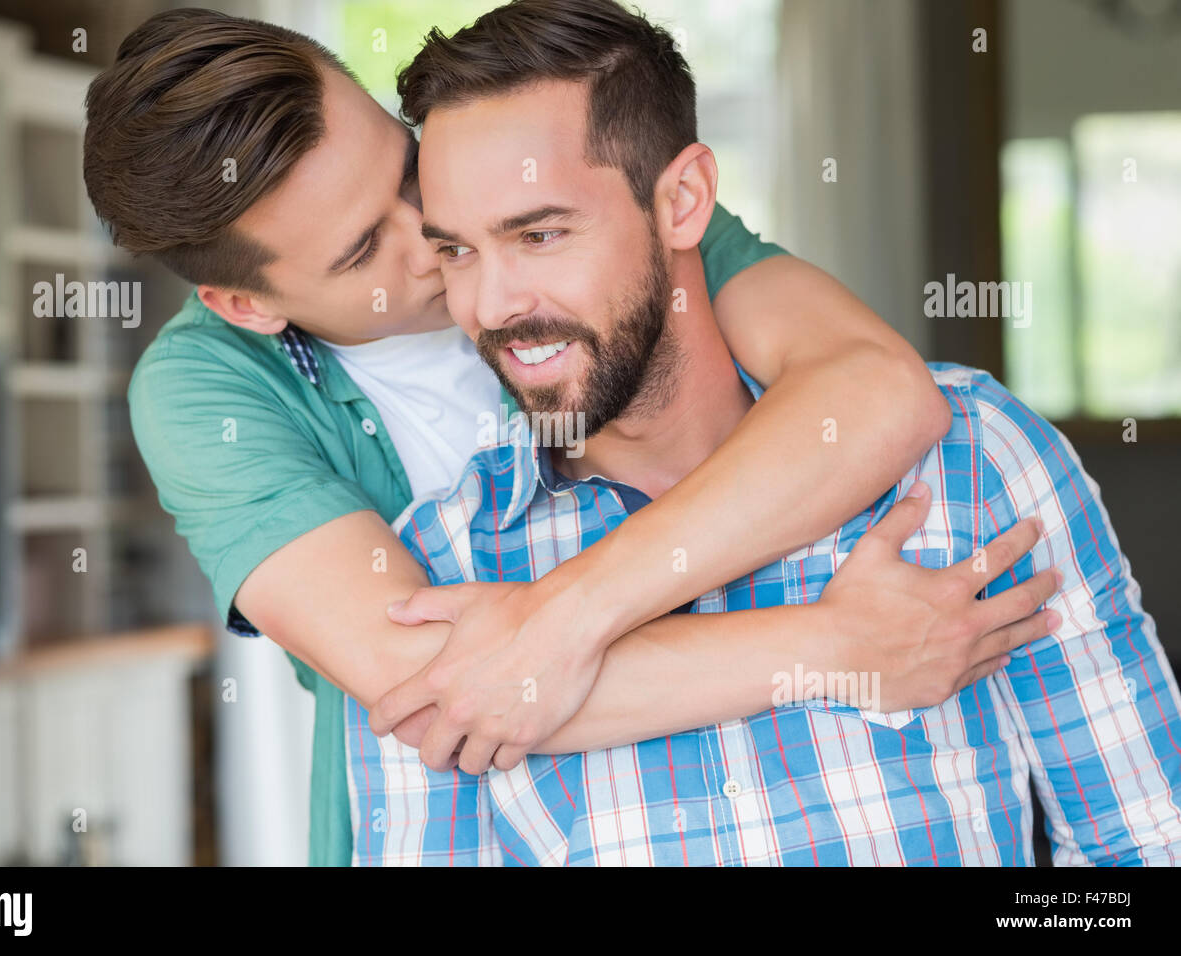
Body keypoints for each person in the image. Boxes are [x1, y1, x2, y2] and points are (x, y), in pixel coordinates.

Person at [84, 7, 1056, 866]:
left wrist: (563, 618)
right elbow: (444, 693)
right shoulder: (206, 387)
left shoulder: (576, 209)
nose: (435, 232)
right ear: (245, 303)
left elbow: (880, 392)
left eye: (402, 164)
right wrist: (837, 645)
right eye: (362, 248)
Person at [350, 0, 1181, 865]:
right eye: (457, 251)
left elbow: (1146, 850)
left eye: (542, 234)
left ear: (683, 201)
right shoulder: (441, 577)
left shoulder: (973, 466)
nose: (491, 306)